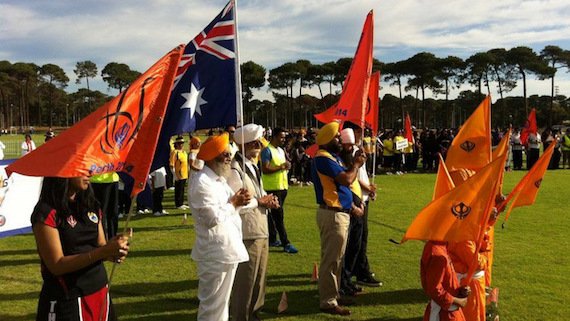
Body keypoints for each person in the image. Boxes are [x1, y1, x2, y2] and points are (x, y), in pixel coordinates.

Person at [31, 176, 130, 321]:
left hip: (100, 292)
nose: (88, 172)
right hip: (67, 298)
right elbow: (57, 265)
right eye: (82, 167)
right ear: (65, 171)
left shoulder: (91, 205)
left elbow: (101, 246)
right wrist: (103, 251)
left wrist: (114, 250)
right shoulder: (46, 212)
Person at [189, 133, 251, 321]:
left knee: (221, 306)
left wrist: (254, 201)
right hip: (215, 253)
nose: (228, 158)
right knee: (212, 308)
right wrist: (234, 202)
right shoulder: (202, 183)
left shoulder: (218, 180)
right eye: (224, 154)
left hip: (225, 250)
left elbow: (234, 205)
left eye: (228, 154)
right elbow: (211, 218)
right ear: (211, 158)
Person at [311, 121, 366, 316]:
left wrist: (350, 207)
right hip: (332, 214)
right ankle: (328, 301)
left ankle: (334, 294)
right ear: (327, 140)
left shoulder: (331, 157)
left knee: (338, 259)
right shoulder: (323, 159)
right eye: (335, 137)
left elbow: (341, 189)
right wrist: (357, 164)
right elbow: (346, 180)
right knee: (331, 260)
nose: (339, 139)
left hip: (338, 212)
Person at [228, 124, 280, 321]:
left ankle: (254, 314)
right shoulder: (235, 169)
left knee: (259, 279)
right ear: (247, 144)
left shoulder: (251, 165)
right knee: (246, 281)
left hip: (260, 227)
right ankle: (241, 316)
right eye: (256, 143)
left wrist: (267, 199)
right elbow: (237, 200)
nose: (259, 146)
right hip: (247, 230)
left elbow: (257, 192)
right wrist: (260, 201)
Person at [261, 127, 298, 254]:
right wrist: (281, 166)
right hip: (272, 188)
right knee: (278, 216)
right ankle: (285, 242)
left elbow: (282, 165)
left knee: (273, 216)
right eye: (281, 137)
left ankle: (272, 238)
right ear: (275, 137)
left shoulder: (280, 150)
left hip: (282, 187)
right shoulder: (267, 150)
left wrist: (287, 166)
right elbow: (265, 169)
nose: (283, 140)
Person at [421, 241, 468, 321]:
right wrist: (457, 301)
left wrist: (459, 289)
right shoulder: (438, 255)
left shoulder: (439, 246)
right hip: (445, 313)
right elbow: (434, 290)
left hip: (447, 309)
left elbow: (445, 279)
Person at [90, 173, 120, 238]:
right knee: (100, 214)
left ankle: (113, 239)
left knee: (114, 213)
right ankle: (102, 241)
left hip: (113, 179)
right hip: (97, 181)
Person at [170, 136, 189, 209]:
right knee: (178, 189)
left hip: (184, 174)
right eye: (180, 143)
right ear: (177, 144)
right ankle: (178, 204)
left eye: (182, 143)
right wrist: (174, 175)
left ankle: (181, 202)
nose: (181, 145)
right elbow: (172, 165)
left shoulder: (184, 152)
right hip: (179, 174)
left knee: (182, 189)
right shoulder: (175, 152)